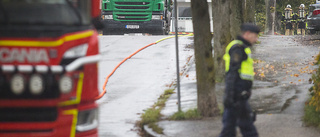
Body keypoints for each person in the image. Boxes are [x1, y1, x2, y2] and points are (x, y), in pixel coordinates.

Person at [219, 23, 259, 137]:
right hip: (237, 95)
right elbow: (232, 73)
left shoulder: (242, 48)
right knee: (247, 128)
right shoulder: (238, 49)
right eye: (255, 36)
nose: (256, 39)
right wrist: (231, 95)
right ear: (247, 34)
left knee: (229, 128)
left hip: (237, 95)